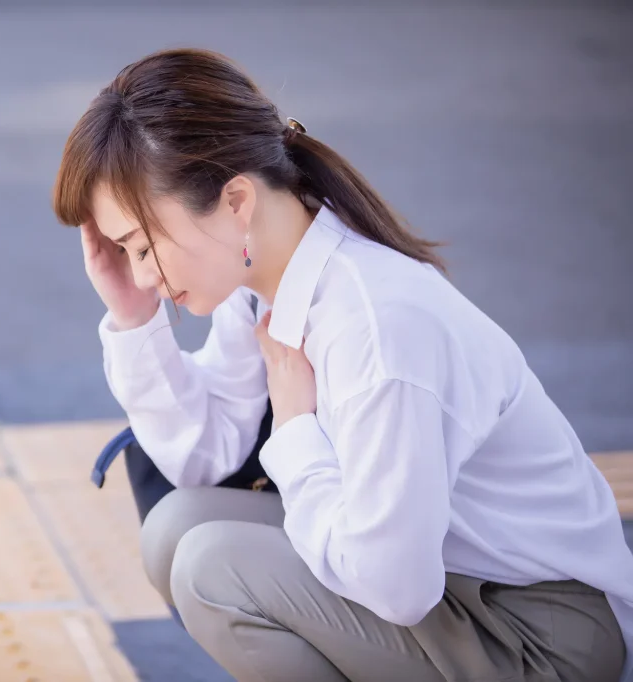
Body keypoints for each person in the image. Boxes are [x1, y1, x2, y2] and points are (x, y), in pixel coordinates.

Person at [51, 47, 633, 682]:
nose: (142, 272)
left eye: (143, 245)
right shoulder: (265, 284)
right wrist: (136, 320)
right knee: (177, 528)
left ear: (236, 201)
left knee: (211, 567)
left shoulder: (375, 325)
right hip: (457, 582)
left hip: (544, 636)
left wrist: (295, 428)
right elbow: (203, 459)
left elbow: (397, 587)